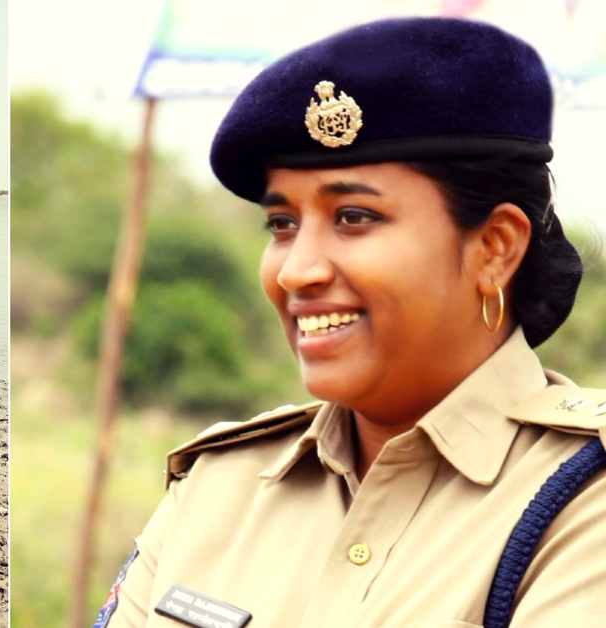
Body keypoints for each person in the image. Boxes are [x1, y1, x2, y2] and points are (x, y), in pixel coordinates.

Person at [99, 18, 606, 628]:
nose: (297, 271)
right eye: (282, 224)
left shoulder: (583, 502)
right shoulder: (216, 488)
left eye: (355, 216)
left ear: (495, 246)